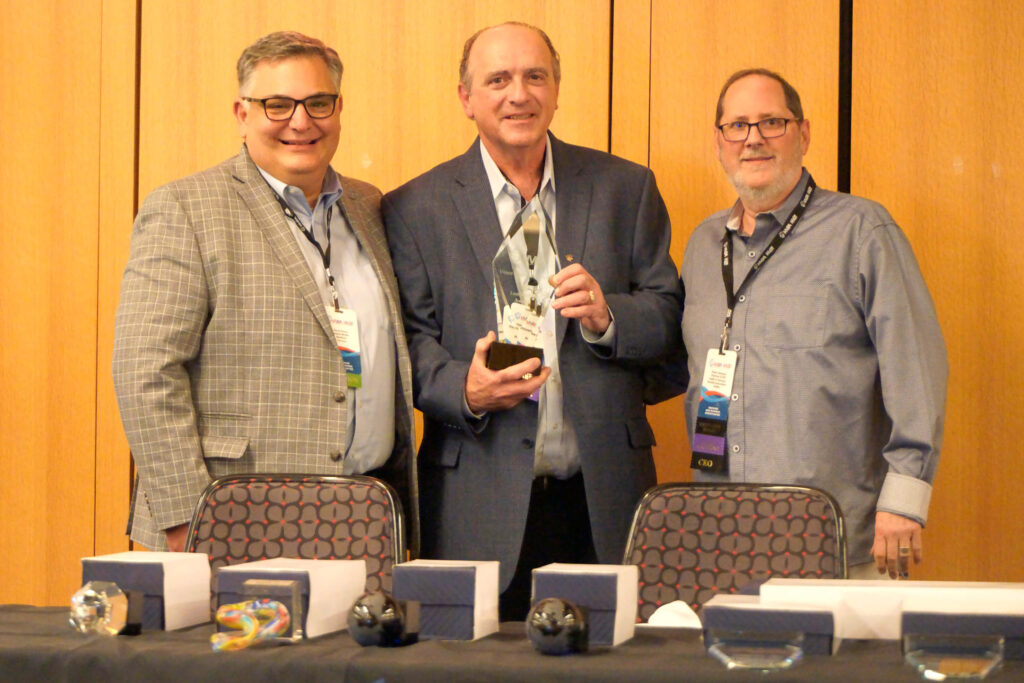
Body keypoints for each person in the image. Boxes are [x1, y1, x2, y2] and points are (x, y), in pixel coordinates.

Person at [383, 22, 682, 620]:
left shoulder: (626, 188)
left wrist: (608, 317)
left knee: (613, 658)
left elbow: (670, 316)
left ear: (556, 89)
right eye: (498, 79)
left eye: (534, 76)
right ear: (466, 98)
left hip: (603, 500)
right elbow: (409, 340)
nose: (518, 94)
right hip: (475, 500)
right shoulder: (414, 207)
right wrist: (464, 389)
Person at [113, 31, 417, 554]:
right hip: (233, 517)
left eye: (318, 102)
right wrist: (190, 519)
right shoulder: (186, 209)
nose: (301, 121)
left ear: (338, 109)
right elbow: (145, 372)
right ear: (242, 114)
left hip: (363, 512)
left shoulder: (368, 206)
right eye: (278, 104)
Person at [681, 68, 947, 579]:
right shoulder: (702, 246)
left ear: (803, 134)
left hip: (840, 544)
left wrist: (905, 499)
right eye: (737, 125)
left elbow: (915, 370)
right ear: (719, 142)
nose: (753, 138)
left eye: (771, 122)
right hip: (724, 539)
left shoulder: (862, 232)